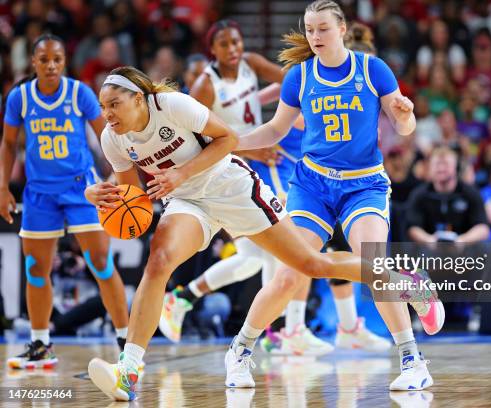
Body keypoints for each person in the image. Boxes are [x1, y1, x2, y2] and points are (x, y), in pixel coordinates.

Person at [84, 66, 441, 401]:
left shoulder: (172, 106)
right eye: (103, 106)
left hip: (231, 187)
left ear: (139, 99)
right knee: (159, 261)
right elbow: (134, 201)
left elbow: (228, 139)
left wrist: (180, 173)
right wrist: (100, 195)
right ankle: (128, 371)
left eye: (114, 104)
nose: (108, 113)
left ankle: (405, 281)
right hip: (188, 203)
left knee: (310, 265)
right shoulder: (112, 139)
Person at [230, 0, 444, 392]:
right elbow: (276, 130)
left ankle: (414, 361)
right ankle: (240, 352)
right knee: (289, 275)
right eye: (310, 29)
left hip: (363, 183)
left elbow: (405, 125)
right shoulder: (299, 75)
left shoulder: (372, 69)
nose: (315, 37)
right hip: (312, 185)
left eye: (323, 29)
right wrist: (232, 144)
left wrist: (406, 113)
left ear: (342, 29)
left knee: (373, 267)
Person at [160, 20, 386, 355]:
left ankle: (271, 328)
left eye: (236, 41)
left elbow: (291, 82)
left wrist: (279, 102)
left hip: (265, 161)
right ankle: (280, 329)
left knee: (265, 253)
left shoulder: (251, 63)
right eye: (225, 44)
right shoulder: (208, 84)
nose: (234, 49)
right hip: (235, 164)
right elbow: (197, 135)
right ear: (213, 50)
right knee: (277, 249)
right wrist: (250, 147)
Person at [0, 34, 129, 369]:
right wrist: (3, 187)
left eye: (57, 58)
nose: (52, 65)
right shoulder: (20, 97)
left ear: (64, 61)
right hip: (40, 192)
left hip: (80, 188)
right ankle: (41, 345)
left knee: (100, 263)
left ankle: (126, 339)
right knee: (35, 269)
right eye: (44, 59)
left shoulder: (79, 93)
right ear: (34, 62)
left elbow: (109, 133)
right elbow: (8, 145)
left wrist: (118, 175)